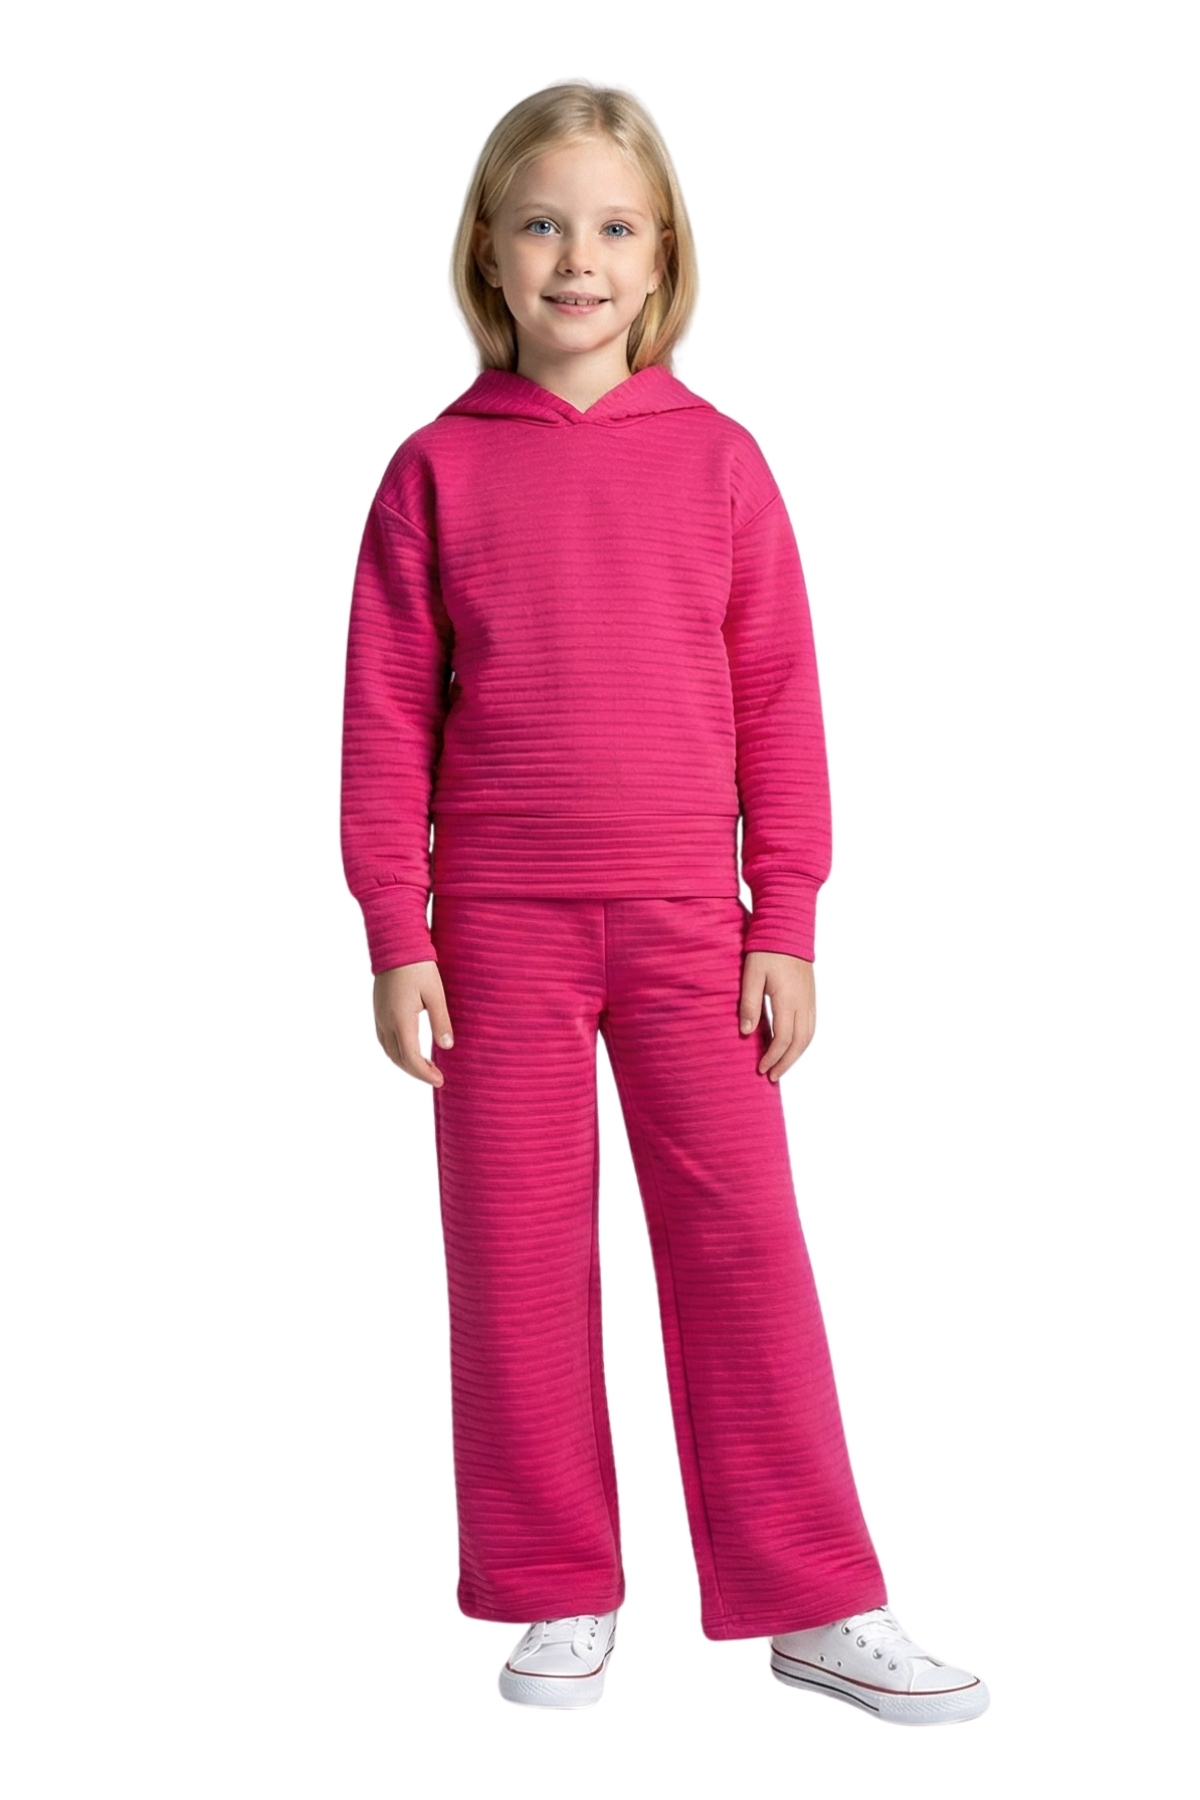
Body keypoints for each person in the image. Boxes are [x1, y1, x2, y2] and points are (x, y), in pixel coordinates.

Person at [339, 80, 989, 1724]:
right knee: (514, 1258)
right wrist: (397, 934)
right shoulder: (432, 473)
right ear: (488, 252)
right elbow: (385, 720)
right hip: (496, 937)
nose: (579, 257)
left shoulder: (721, 465)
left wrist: (790, 920)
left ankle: (812, 1596)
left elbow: (781, 703)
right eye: (543, 223)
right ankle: (557, 1585)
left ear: (664, 253)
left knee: (744, 1249)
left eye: (614, 226)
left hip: (696, 934)